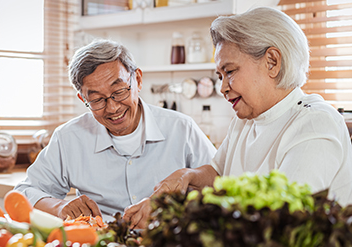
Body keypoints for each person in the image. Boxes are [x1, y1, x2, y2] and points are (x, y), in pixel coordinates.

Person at [127, 7, 352, 227]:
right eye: (220, 76)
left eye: (230, 71)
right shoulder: (245, 120)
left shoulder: (314, 123)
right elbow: (218, 174)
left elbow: (283, 219)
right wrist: (186, 175)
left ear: (272, 62)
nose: (223, 87)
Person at [15, 39, 216, 225]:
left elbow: (221, 182)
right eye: (97, 100)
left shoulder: (181, 128)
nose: (112, 108)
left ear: (137, 79)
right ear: (82, 98)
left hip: (169, 245)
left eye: (119, 92)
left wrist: (182, 186)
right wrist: (59, 207)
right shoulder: (69, 138)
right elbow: (24, 192)